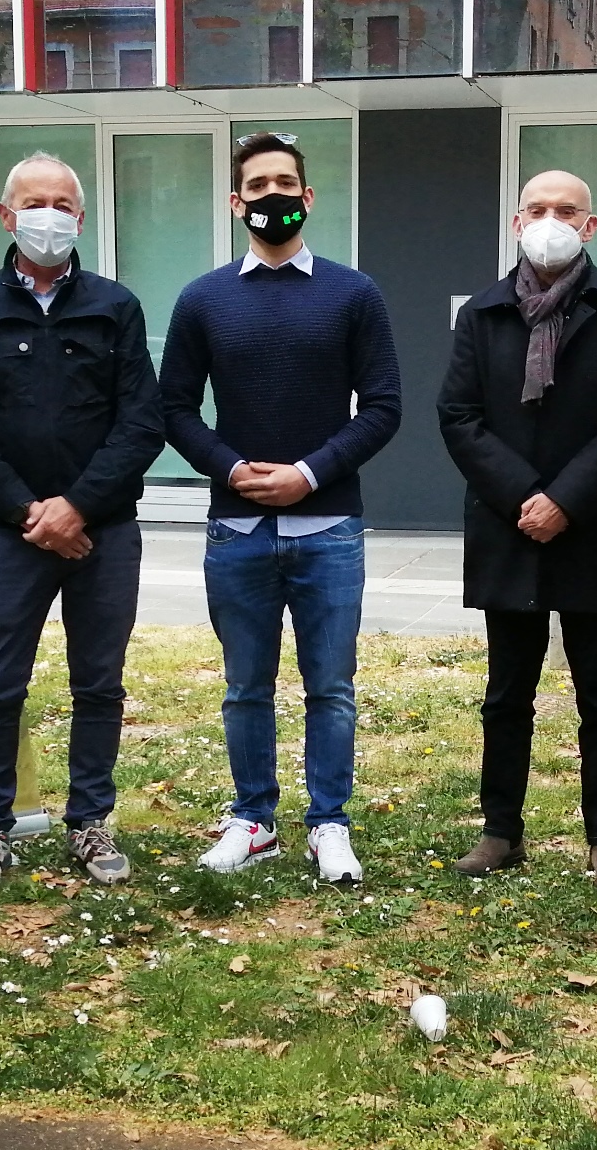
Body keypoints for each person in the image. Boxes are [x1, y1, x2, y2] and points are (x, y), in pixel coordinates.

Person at [161, 131, 402, 883]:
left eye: (286, 184)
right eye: (259, 185)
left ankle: (330, 823)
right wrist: (230, 469)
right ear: (237, 203)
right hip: (236, 530)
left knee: (331, 688)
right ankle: (253, 819)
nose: (274, 196)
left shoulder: (354, 294)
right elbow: (173, 409)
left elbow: (384, 407)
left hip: (329, 526)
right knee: (245, 688)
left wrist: (308, 473)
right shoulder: (203, 299)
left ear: (308, 196)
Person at [0, 151, 164, 888]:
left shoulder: (115, 306)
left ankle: (90, 822)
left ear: (81, 219)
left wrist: (78, 506)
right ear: (7, 215)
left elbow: (142, 424)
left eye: (63, 205)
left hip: (103, 533)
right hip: (12, 534)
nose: (49, 216)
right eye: (35, 203)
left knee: (99, 684)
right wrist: (30, 510)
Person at [438, 170, 597, 894]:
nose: (551, 220)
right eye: (538, 209)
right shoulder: (483, 314)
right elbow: (459, 416)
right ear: (516, 221)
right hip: (508, 528)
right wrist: (523, 496)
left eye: (567, 210)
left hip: (591, 526)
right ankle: (501, 830)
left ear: (590, 226)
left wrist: (563, 499)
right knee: (506, 696)